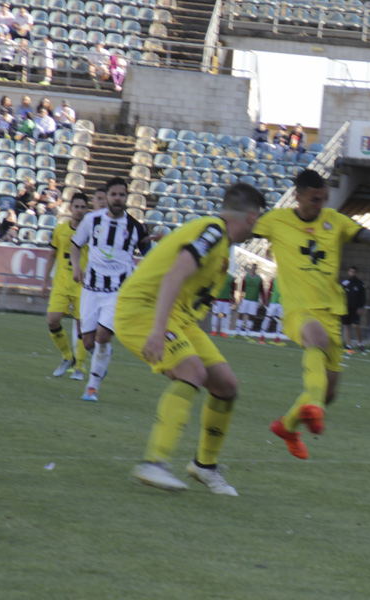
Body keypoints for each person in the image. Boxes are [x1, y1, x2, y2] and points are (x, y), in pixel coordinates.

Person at [116, 183, 266, 494]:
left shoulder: (222, 244)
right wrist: (157, 331)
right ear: (251, 217)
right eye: (259, 218)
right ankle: (153, 463)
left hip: (179, 318)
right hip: (144, 308)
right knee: (192, 372)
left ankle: (204, 466)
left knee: (226, 385)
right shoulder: (212, 232)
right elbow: (174, 275)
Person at [257, 169, 370, 460]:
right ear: (298, 196)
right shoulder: (276, 221)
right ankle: (313, 408)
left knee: (329, 393)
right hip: (299, 309)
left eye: (324, 199)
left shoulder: (335, 221)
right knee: (315, 340)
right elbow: (238, 231)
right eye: (315, 200)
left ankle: (288, 426)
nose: (320, 205)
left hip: (332, 311)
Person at [70, 177, 153, 402]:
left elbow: (152, 255)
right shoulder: (91, 220)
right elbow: (76, 245)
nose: (118, 199)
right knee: (88, 342)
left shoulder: (136, 227)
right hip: (91, 289)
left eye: (122, 195)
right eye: (114, 194)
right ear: (106, 197)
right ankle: (103, 355)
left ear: (127, 197)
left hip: (118, 291)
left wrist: (158, 243)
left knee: (103, 336)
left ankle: (92, 387)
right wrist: (76, 266)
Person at [42, 192, 89, 381]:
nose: (79, 210)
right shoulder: (60, 230)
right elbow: (52, 255)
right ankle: (67, 357)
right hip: (61, 283)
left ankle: (79, 367)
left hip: (83, 286)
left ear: (87, 210)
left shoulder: (92, 231)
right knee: (52, 321)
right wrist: (45, 280)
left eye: (83, 207)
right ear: (70, 208)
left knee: (82, 328)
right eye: (76, 206)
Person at [341, 266, 367, 352]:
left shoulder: (359, 284)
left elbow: (363, 297)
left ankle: (360, 344)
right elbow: (340, 294)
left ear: (356, 273)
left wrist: (361, 307)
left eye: (354, 272)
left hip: (355, 308)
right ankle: (348, 345)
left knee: (355, 326)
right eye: (351, 271)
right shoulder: (344, 283)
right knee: (347, 326)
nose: (352, 273)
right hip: (346, 307)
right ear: (348, 272)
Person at [236, 265, 263, 337]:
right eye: (252, 267)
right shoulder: (246, 277)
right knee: (241, 314)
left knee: (251, 316)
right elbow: (242, 288)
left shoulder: (259, 279)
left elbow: (261, 290)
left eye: (255, 268)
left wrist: (263, 300)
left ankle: (248, 333)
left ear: (256, 269)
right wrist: (240, 296)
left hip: (254, 300)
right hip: (246, 299)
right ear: (251, 268)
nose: (253, 269)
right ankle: (238, 332)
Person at [259, 277, 284, 344]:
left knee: (280, 320)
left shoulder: (287, 280)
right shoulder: (274, 279)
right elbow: (270, 289)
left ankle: (277, 337)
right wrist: (267, 299)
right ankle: (262, 335)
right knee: (267, 318)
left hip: (282, 303)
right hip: (273, 302)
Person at [209, 272, 235, 337]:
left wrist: (232, 298)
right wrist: (212, 298)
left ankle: (222, 331)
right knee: (215, 314)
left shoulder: (231, 278)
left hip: (226, 300)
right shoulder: (217, 275)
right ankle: (213, 331)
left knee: (224, 315)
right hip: (217, 299)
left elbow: (233, 289)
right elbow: (212, 286)